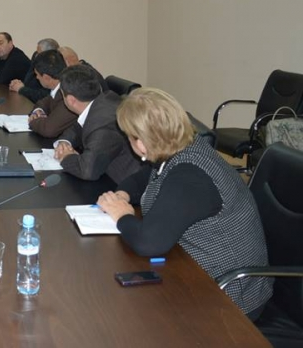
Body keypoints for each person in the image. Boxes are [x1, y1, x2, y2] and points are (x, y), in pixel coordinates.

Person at [97, 88, 272, 317]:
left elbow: (149, 243)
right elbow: (144, 178)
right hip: (195, 266)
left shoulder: (190, 177)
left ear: (141, 144)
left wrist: (122, 215)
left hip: (231, 295)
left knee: (127, 312)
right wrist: (124, 195)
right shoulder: (182, 148)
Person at [53, 64, 144, 183]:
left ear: (71, 100)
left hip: (122, 184)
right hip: (107, 174)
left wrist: (66, 157)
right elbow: (78, 127)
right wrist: (64, 142)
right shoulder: (105, 98)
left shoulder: (104, 123)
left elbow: (87, 171)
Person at [27, 50, 77, 138]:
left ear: (46, 77)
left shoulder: (68, 94)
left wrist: (33, 121)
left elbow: (48, 129)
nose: (37, 77)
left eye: (37, 74)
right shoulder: (59, 87)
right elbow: (43, 102)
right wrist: (38, 111)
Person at [10, 37, 59, 103]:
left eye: (39, 53)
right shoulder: (36, 57)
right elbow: (28, 80)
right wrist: (18, 84)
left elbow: (44, 96)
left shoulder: (53, 70)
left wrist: (22, 89)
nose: (36, 55)